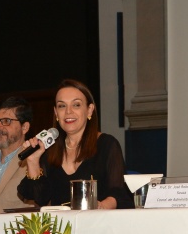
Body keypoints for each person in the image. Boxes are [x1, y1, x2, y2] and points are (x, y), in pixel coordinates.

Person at [18, 79, 133, 209]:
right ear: (56, 113)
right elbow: (41, 198)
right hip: (61, 227)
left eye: (76, 105)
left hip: (98, 223)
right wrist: (33, 160)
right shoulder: (49, 149)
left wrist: (101, 206)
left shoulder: (107, 144)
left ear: (89, 110)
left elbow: (119, 192)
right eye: (62, 106)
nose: (68, 112)